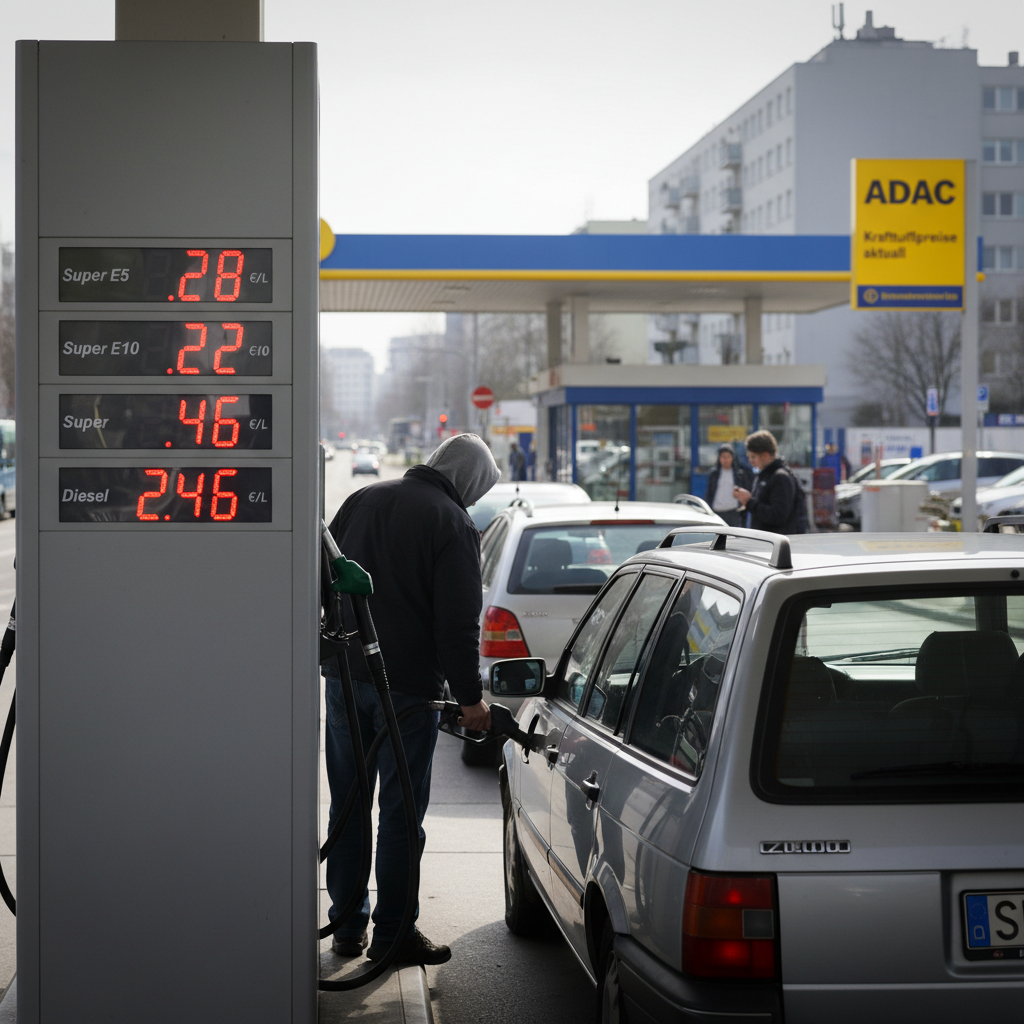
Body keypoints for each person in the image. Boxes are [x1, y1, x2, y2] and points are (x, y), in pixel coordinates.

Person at [323, 433, 500, 965]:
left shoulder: (363, 498)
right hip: (408, 692)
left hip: (343, 678)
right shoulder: (453, 523)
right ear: (469, 483)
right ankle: (393, 935)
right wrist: (471, 700)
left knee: (348, 804)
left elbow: (316, 574)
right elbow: (457, 624)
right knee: (401, 814)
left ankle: (347, 928)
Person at [732, 429, 808, 535]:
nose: (751, 461)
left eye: (753, 457)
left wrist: (749, 502)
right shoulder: (763, 476)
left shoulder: (780, 478)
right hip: (765, 542)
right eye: (748, 457)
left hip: (777, 544)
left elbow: (778, 516)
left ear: (766, 455)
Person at [704, 444, 753, 527]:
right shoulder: (714, 474)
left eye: (728, 457)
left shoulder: (739, 473)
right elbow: (709, 492)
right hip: (717, 510)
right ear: (719, 458)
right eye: (723, 457)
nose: (726, 460)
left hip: (733, 511)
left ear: (732, 458)